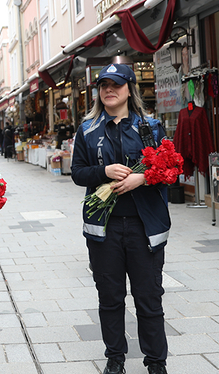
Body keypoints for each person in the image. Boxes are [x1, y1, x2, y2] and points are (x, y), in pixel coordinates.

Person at [70, 63, 170, 374]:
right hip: (104, 229)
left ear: (129, 89)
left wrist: (144, 178)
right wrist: (104, 171)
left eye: (116, 84)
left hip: (144, 227)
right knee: (110, 298)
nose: (109, 90)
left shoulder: (151, 127)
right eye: (103, 85)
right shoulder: (87, 130)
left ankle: (156, 362)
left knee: (149, 298)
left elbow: (170, 170)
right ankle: (115, 358)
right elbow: (77, 173)